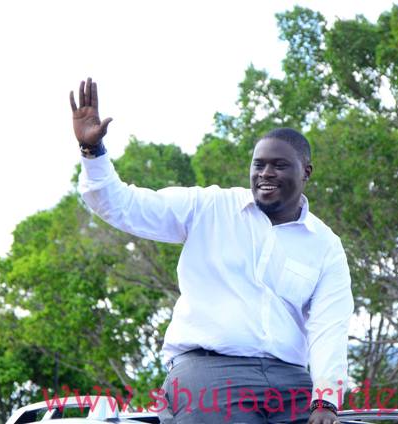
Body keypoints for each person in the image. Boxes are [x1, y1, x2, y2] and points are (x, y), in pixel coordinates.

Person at [70, 77, 354, 424]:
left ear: (306, 172)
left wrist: (325, 402)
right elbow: (122, 206)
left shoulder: (325, 244)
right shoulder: (209, 207)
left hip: (290, 382)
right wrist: (92, 153)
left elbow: (330, 327)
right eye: (258, 164)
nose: (266, 173)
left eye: (279, 165)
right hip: (209, 373)